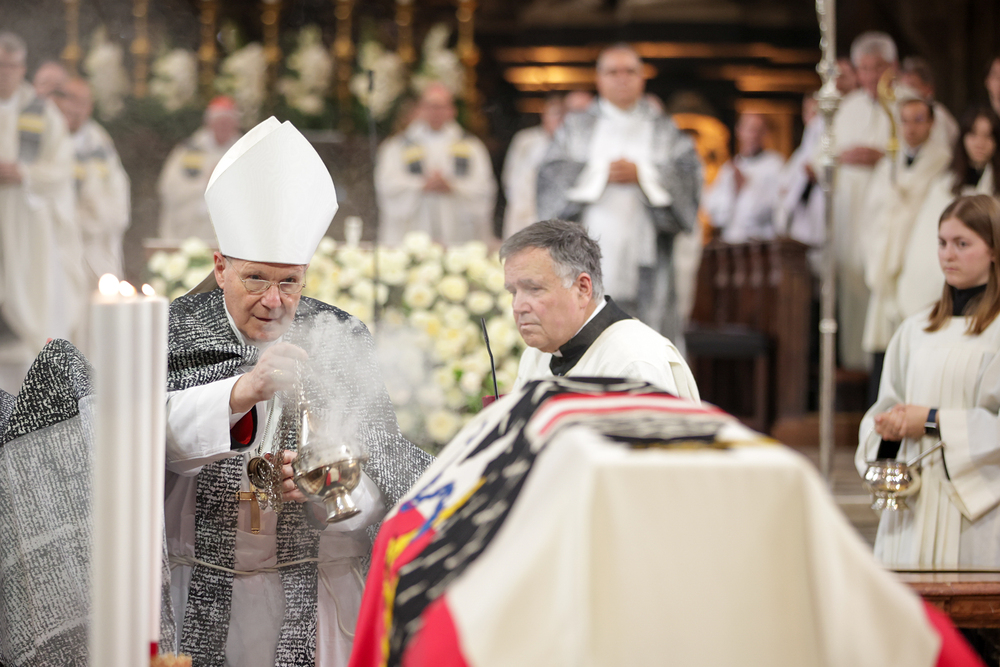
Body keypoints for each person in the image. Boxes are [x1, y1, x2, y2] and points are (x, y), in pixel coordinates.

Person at [164, 117, 432, 666]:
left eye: (289, 281)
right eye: (256, 279)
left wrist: (332, 492)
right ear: (220, 267)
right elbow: (141, 443)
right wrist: (241, 392)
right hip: (195, 587)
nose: (274, 301)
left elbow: (383, 469)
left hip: (313, 595)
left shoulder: (340, 335)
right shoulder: (172, 330)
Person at [856, 194, 1000, 569]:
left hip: (978, 515)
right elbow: (886, 406)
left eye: (962, 244)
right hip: (913, 511)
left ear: (993, 250)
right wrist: (889, 429)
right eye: (942, 242)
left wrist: (932, 420)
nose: (948, 255)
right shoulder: (915, 330)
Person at [537, 43, 701, 347]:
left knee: (645, 342)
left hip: (648, 255)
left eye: (630, 71)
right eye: (613, 72)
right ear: (599, 79)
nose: (622, 78)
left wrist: (644, 175)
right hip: (586, 248)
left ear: (642, 78)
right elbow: (550, 174)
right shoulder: (576, 126)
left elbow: (688, 175)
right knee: (589, 339)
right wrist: (600, 173)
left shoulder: (664, 128)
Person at [503, 219, 699, 401]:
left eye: (534, 289)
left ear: (582, 289)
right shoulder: (536, 355)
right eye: (513, 292)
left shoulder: (635, 362)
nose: (518, 307)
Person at [0, 32, 83, 394]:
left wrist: (23, 172)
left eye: (11, 65)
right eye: (0, 65)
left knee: (30, 302)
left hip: (27, 226)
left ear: (22, 68)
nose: (5, 72)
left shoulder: (41, 111)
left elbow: (61, 168)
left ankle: (28, 391)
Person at [861, 94, 952, 399]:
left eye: (918, 120)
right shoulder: (889, 163)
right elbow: (874, 212)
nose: (911, 128)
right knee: (884, 347)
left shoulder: (943, 164)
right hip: (887, 259)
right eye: (905, 121)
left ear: (932, 123)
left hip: (918, 263)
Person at [828, 31, 910, 371]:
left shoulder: (908, 105)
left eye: (878, 67)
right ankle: (854, 368)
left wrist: (882, 157)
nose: (872, 76)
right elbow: (822, 156)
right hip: (851, 216)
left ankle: (889, 367)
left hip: (891, 216)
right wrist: (841, 157)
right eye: (864, 68)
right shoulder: (847, 109)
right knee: (852, 292)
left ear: (893, 66)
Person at [897, 106, 1000, 322]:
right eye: (973, 134)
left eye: (988, 136)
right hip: (940, 280)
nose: (979, 143)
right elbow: (925, 240)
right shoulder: (944, 185)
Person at [374, 82, 497, 246]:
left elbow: (484, 188)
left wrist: (452, 186)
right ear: (419, 109)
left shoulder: (472, 147)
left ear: (452, 110)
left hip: (458, 233)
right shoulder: (396, 146)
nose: (435, 112)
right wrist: (422, 184)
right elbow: (387, 185)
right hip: (414, 228)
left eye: (441, 106)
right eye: (430, 106)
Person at [55, 76, 130, 285]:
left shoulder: (99, 141)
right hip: (57, 238)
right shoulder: (48, 134)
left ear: (90, 108)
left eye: (82, 102)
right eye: (70, 99)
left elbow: (117, 187)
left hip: (92, 241)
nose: (75, 108)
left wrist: (100, 216)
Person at [157, 95, 241, 243]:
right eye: (219, 121)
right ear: (209, 123)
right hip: (192, 233)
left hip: (232, 233)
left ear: (236, 124)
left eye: (228, 122)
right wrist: (205, 184)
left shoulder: (244, 152)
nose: (224, 127)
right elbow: (168, 188)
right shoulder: (189, 151)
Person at [703, 113, 784, 244]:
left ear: (765, 133)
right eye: (749, 129)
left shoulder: (775, 165)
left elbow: (775, 209)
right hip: (731, 243)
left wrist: (746, 188)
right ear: (739, 131)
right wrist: (734, 191)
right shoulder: (729, 168)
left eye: (758, 130)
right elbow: (714, 214)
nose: (753, 135)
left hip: (761, 244)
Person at [501, 94, 565, 238]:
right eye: (554, 114)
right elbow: (510, 178)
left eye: (562, 115)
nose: (558, 120)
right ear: (544, 115)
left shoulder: (570, 144)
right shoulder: (525, 140)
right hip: (523, 213)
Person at [776, 93, 824, 274]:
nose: (813, 118)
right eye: (808, 112)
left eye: (816, 111)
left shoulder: (828, 141)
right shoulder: (799, 155)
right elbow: (784, 188)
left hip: (820, 222)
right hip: (799, 228)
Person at [899, 56, 959, 149]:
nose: (906, 92)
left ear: (928, 88)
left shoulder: (938, 115)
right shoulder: (902, 111)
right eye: (903, 86)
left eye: (911, 86)